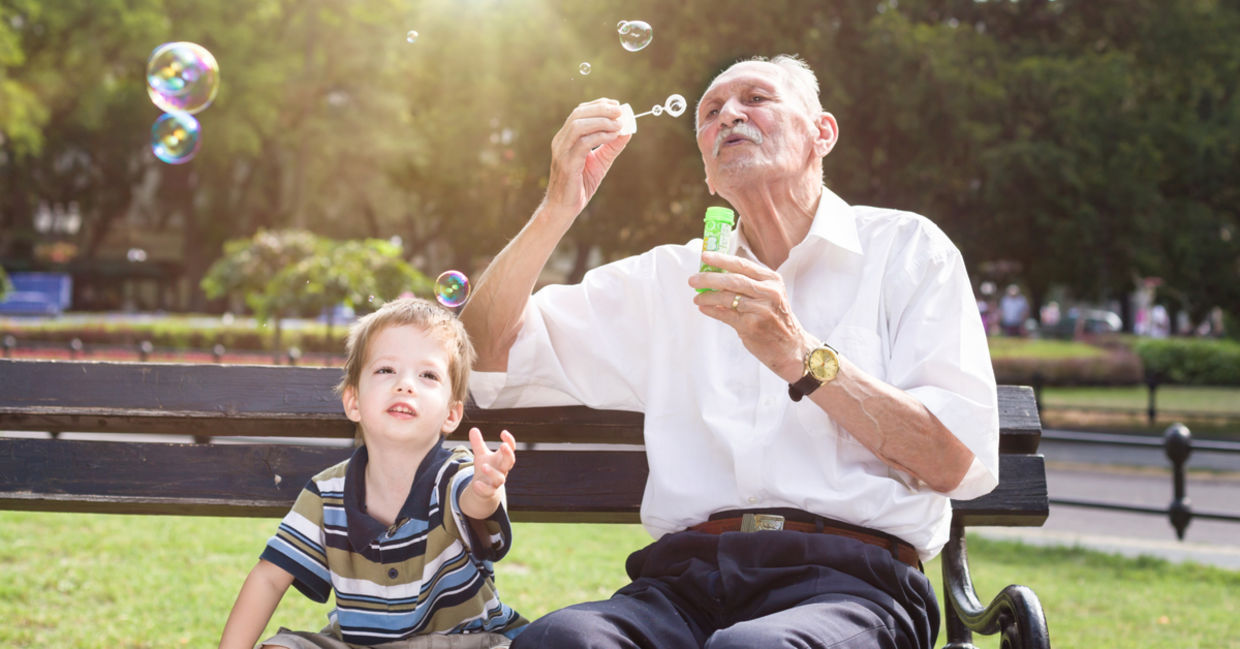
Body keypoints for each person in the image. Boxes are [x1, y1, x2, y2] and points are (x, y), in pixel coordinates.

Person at [462, 54, 998, 649]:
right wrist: (558, 204)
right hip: (684, 581)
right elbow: (484, 350)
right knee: (561, 641)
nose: (729, 116)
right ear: (710, 177)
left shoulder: (907, 251)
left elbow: (952, 461)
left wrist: (800, 355)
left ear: (823, 132)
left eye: (757, 99)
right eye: (711, 113)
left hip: (853, 582)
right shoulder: (666, 279)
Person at [219, 298, 527, 649]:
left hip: (458, 640)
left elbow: (472, 500)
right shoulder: (327, 493)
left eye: (427, 375)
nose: (405, 384)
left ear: (451, 415)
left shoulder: (454, 474)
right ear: (353, 402)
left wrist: (487, 490)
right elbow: (269, 579)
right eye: (385, 370)